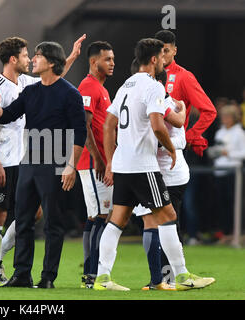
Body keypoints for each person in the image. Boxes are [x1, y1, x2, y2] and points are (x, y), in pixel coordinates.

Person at [96, 38, 215, 291]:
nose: (164, 62)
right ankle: (182, 276)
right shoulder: (153, 87)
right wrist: (171, 150)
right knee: (169, 215)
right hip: (143, 165)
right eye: (162, 57)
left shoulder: (125, 85)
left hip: (122, 165)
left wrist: (110, 161)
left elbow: (108, 125)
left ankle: (102, 278)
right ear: (153, 60)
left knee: (117, 220)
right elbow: (158, 124)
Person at [0, 34, 85, 286]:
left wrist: (70, 165)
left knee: (51, 222)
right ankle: (22, 274)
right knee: (23, 219)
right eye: (30, 55)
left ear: (51, 62)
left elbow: (80, 132)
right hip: (29, 161)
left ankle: (47, 277)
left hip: (55, 159)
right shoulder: (31, 90)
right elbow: (6, 116)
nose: (33, 59)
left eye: (38, 56)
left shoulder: (70, 94)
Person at [129, 63, 188, 290]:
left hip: (169, 175)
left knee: (164, 223)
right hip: (147, 172)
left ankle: (168, 277)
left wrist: (164, 146)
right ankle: (160, 278)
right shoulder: (155, 103)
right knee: (154, 223)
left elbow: (180, 140)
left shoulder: (166, 103)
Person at [75, 41, 114, 288]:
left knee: (94, 217)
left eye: (112, 59)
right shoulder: (89, 86)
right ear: (93, 61)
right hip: (92, 163)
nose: (112, 63)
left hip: (96, 161)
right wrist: (99, 159)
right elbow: (84, 124)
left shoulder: (101, 88)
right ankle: (93, 276)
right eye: (107, 59)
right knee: (102, 216)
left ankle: (90, 275)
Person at [154, 30, 217, 157]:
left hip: (172, 146)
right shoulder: (147, 74)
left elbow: (209, 111)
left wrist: (189, 137)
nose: (162, 55)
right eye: (159, 51)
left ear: (174, 51)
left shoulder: (184, 76)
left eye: (166, 51)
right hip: (149, 146)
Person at [208, 104, 245, 236]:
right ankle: (223, 232)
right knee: (220, 203)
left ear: (234, 118)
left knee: (233, 203)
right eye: (223, 116)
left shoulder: (239, 133)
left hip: (234, 172)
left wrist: (227, 153)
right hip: (219, 171)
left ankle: (236, 232)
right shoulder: (220, 132)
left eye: (227, 116)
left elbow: (243, 153)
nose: (224, 119)